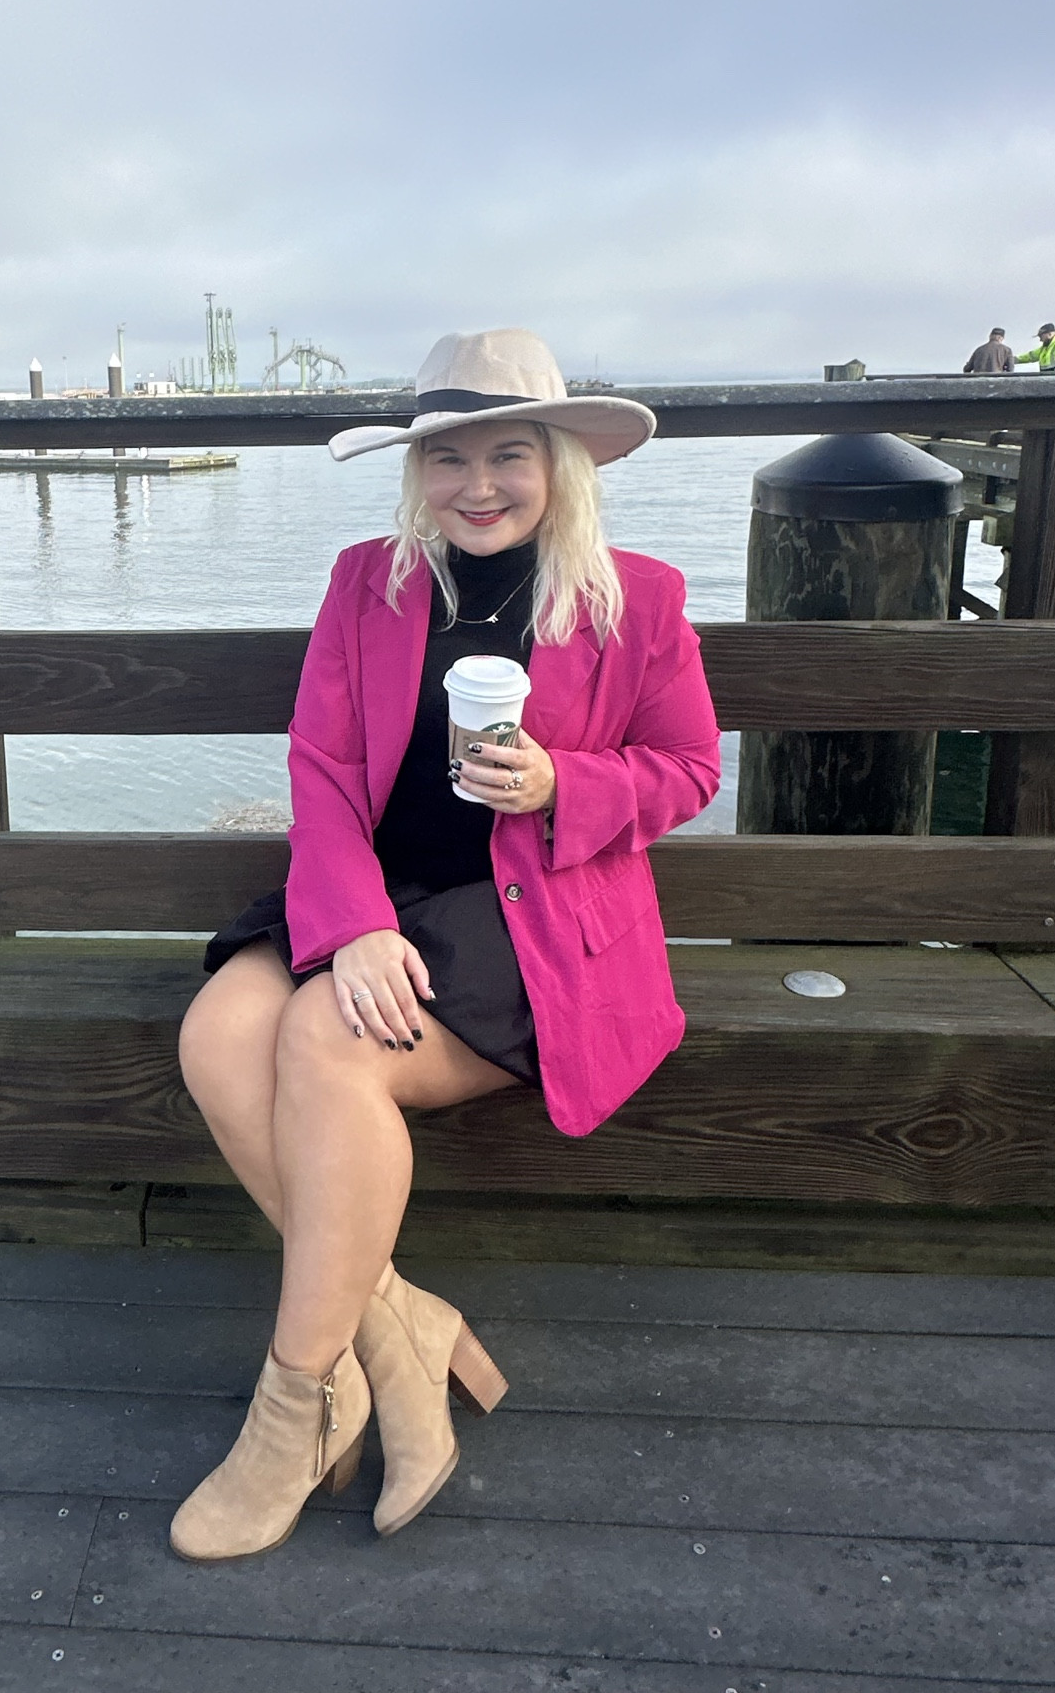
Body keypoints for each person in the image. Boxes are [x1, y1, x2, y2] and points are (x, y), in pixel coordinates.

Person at [171, 328, 720, 1562]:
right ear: (416, 472)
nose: (478, 485)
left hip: (537, 913)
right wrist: (357, 921)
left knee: (326, 1040)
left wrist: (564, 783)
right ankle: (399, 1331)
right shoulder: (367, 581)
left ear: (560, 461)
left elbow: (689, 768)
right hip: (377, 889)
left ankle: (292, 1411)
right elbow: (321, 768)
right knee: (219, 1032)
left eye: (508, 454)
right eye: (447, 458)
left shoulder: (637, 598)